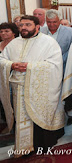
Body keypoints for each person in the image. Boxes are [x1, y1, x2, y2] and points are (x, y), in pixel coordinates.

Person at [0, 15, 65, 155]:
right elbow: (2, 59)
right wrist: (11, 65)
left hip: (40, 89)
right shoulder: (14, 43)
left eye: (28, 25)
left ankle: (42, 145)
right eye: (22, 25)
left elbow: (54, 65)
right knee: (22, 119)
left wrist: (29, 66)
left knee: (39, 117)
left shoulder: (49, 42)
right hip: (19, 89)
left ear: (37, 27)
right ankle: (25, 147)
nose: (23, 27)